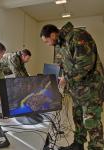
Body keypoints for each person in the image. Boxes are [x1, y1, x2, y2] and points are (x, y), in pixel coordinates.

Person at [40, 22, 104, 150]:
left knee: (91, 123)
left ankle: (96, 147)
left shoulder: (77, 36)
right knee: (78, 118)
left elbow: (85, 64)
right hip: (77, 90)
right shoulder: (61, 43)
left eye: (47, 41)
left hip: (91, 89)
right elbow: (66, 64)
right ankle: (78, 144)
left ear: (53, 35)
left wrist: (66, 78)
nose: (48, 44)